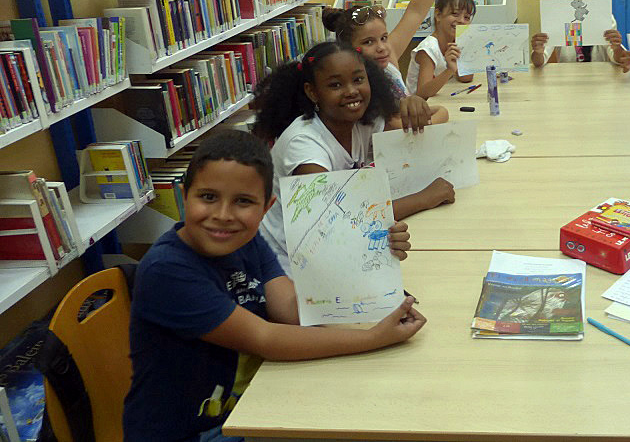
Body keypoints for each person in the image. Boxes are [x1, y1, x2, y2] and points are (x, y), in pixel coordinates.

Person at [122, 130, 426, 442]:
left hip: (245, 409)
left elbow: (293, 311)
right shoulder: (167, 270)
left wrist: (368, 251)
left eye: (243, 202)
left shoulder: (246, 241)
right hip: (192, 434)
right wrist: (374, 338)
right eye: (208, 197)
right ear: (184, 195)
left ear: (266, 208)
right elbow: (265, 338)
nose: (223, 215)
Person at [252, 41, 454, 272]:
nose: (351, 91)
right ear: (312, 92)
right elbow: (331, 221)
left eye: (358, 79)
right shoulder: (304, 145)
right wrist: (424, 198)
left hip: (340, 246)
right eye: (336, 84)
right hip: (288, 264)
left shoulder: (362, 121)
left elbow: (424, 131)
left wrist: (413, 104)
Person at [323, 0, 458, 109]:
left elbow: (416, 11)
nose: (381, 47)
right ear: (349, 50)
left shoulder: (387, 58)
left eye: (384, 38)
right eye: (368, 42)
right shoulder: (357, 88)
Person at [529, 0, 630, 71]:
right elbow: (538, 62)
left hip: (600, 78)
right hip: (567, 79)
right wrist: (538, 51)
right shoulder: (556, 19)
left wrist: (616, 47)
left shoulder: (604, 18)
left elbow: (616, 57)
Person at [405, 0, 476, 98]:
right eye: (455, 14)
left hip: (441, 99)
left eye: (466, 17)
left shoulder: (456, 42)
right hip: (419, 108)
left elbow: (466, 78)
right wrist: (450, 70)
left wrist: (464, 54)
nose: (461, 20)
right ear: (438, 15)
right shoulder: (428, 49)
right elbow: (423, 93)